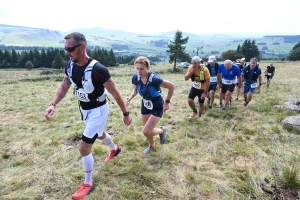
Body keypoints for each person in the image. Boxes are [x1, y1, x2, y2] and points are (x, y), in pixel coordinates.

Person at [44, 32, 132, 200]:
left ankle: (88, 183)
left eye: (70, 49)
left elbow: (115, 92)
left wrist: (125, 113)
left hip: (99, 110)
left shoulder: (98, 70)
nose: (67, 52)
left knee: (84, 147)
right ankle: (114, 148)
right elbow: (64, 86)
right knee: (99, 134)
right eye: (65, 49)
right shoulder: (70, 65)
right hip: (85, 110)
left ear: (82, 47)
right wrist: (53, 104)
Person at [125, 56, 174, 153]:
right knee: (147, 131)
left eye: (142, 69)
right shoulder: (136, 77)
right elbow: (135, 89)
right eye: (137, 68)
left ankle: (162, 130)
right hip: (145, 104)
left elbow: (171, 86)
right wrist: (130, 97)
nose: (139, 71)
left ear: (148, 68)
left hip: (157, 104)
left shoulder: (155, 79)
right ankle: (152, 145)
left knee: (146, 131)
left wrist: (167, 102)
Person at [184, 56, 210, 120]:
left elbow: (208, 82)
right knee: (190, 100)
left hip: (202, 89)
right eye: (193, 63)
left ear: (199, 62)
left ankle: (200, 115)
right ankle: (194, 111)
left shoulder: (205, 70)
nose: (194, 65)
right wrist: (192, 71)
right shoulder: (191, 68)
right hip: (194, 87)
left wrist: (205, 92)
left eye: (195, 63)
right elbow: (186, 78)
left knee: (201, 103)